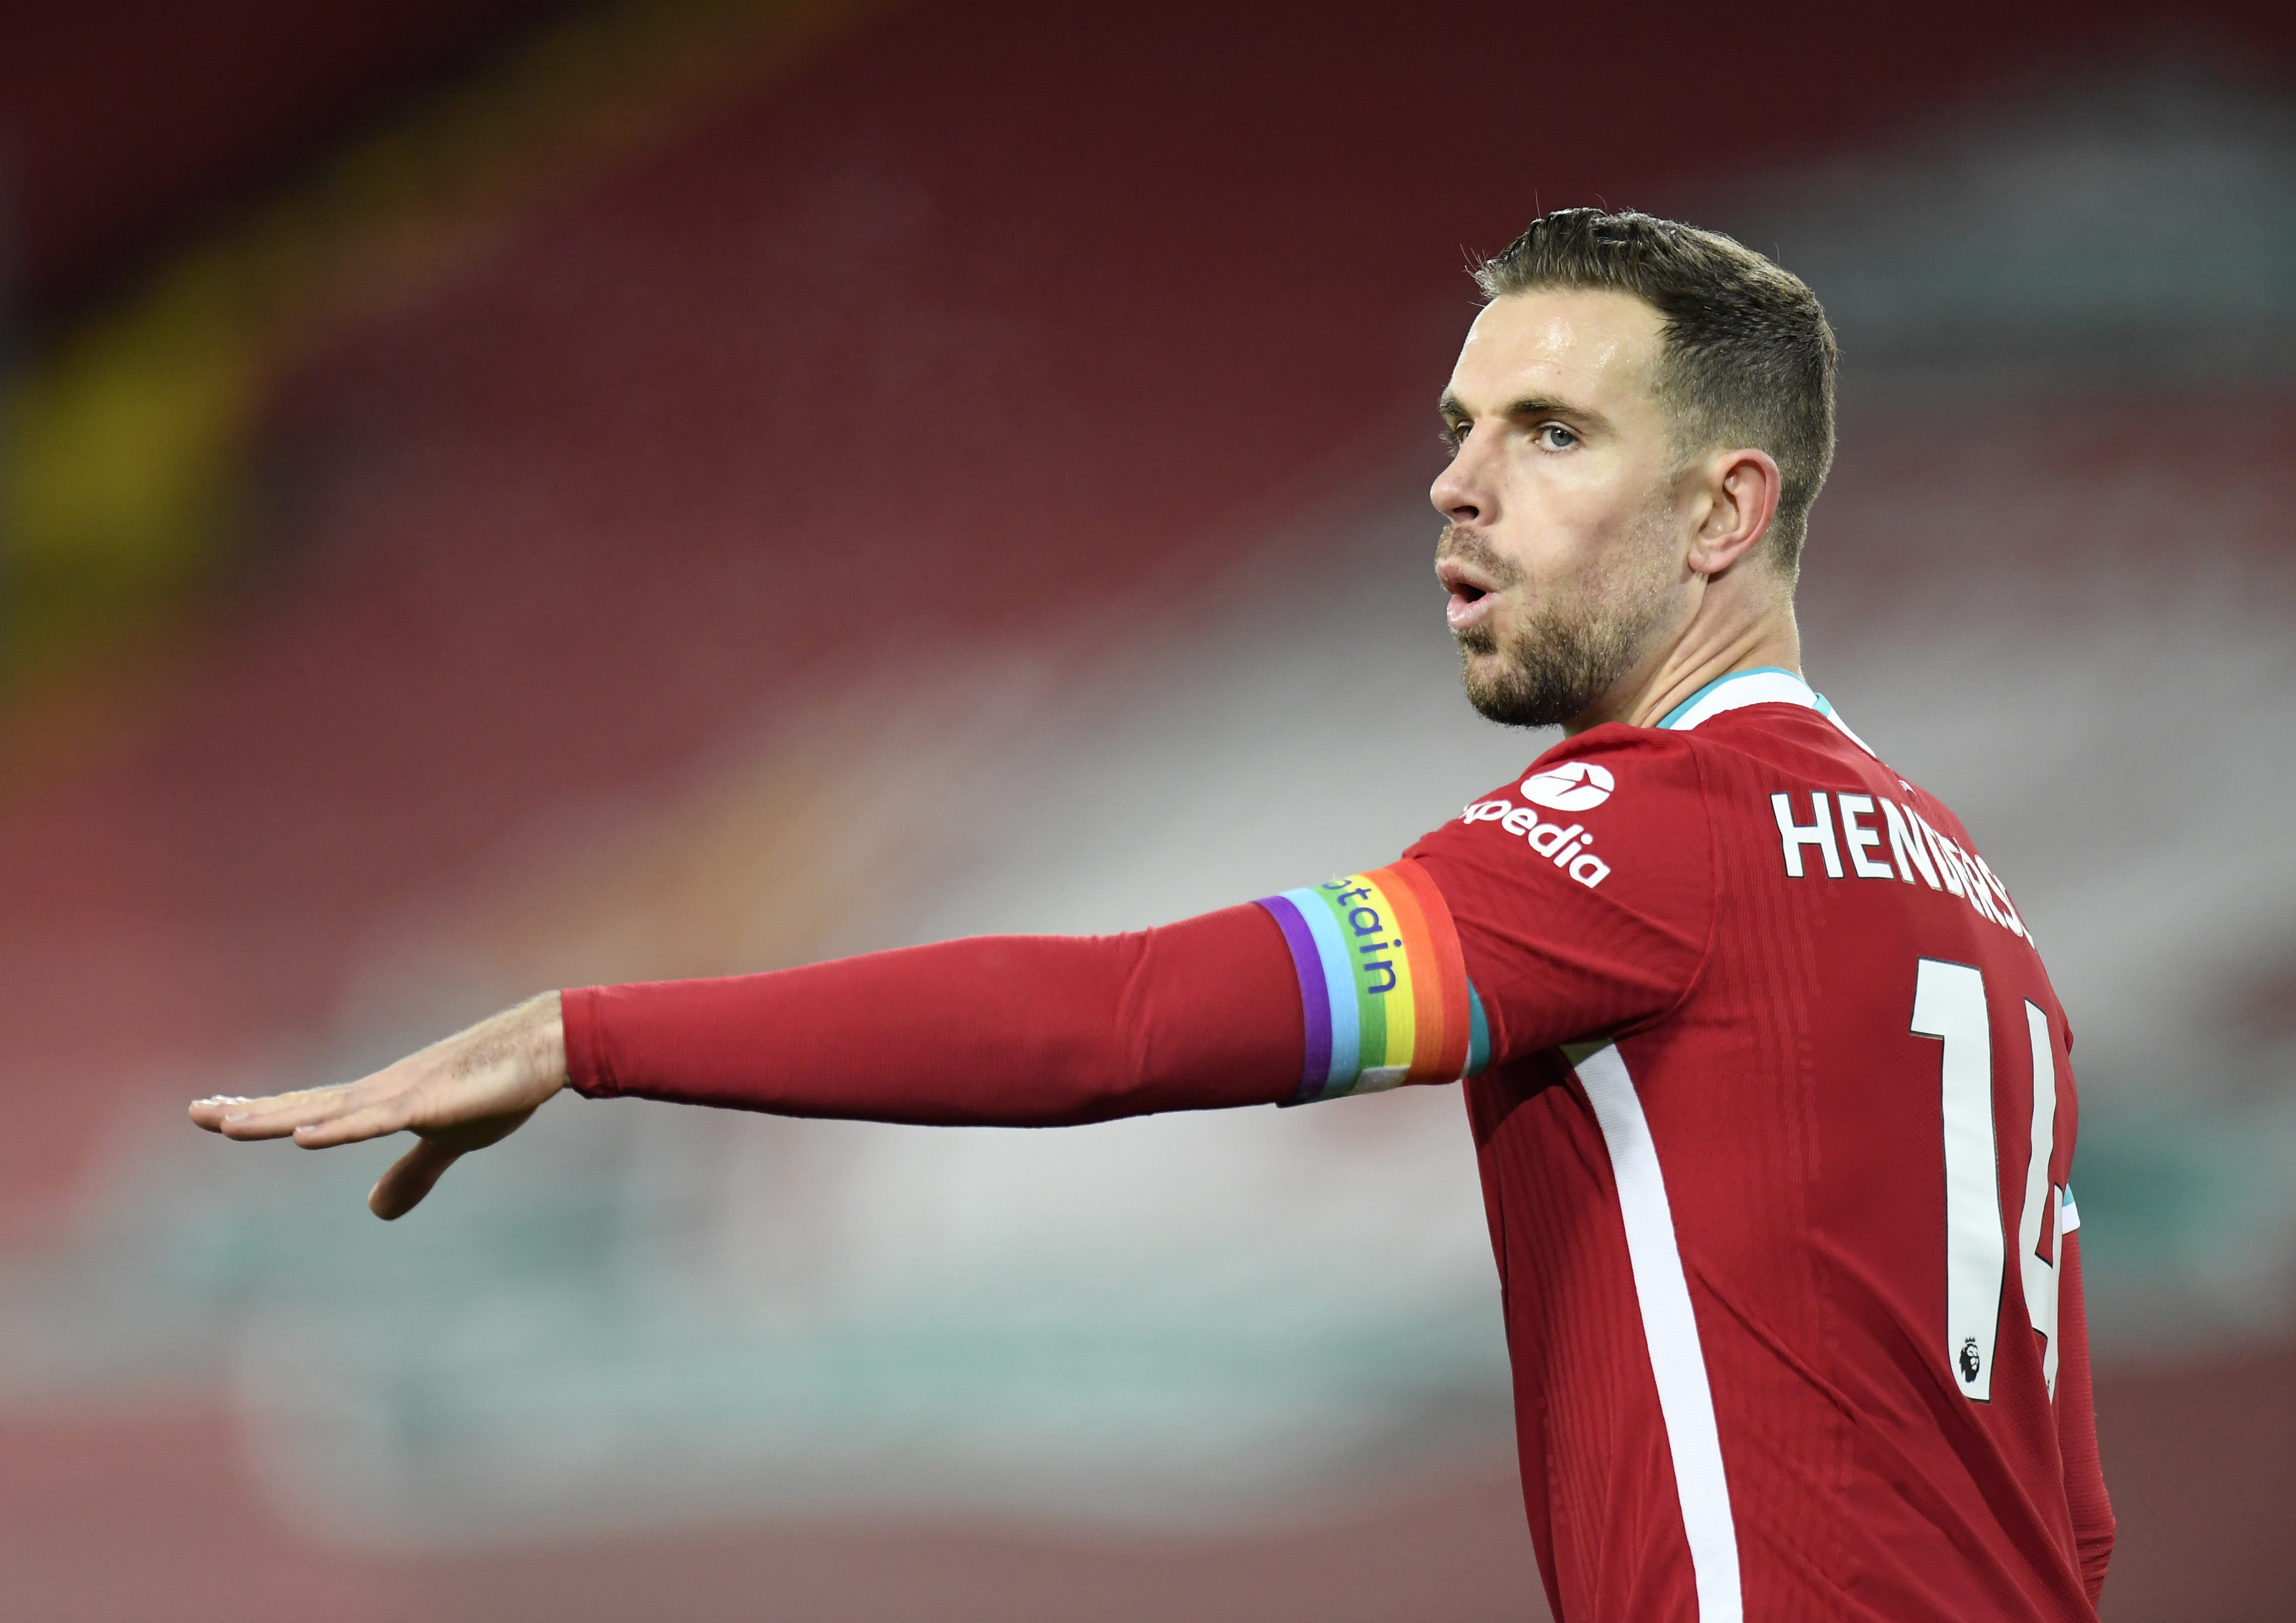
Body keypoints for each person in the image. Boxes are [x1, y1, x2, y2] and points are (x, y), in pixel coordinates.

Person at [190, 209, 2113, 1622]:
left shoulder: (1645, 837)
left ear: (1723, 512)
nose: (1454, 486)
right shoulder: (1971, 905)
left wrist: (592, 1035)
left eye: (1547, 433)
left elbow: (1116, 1025)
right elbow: (2070, 1512)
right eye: (1457, 425)